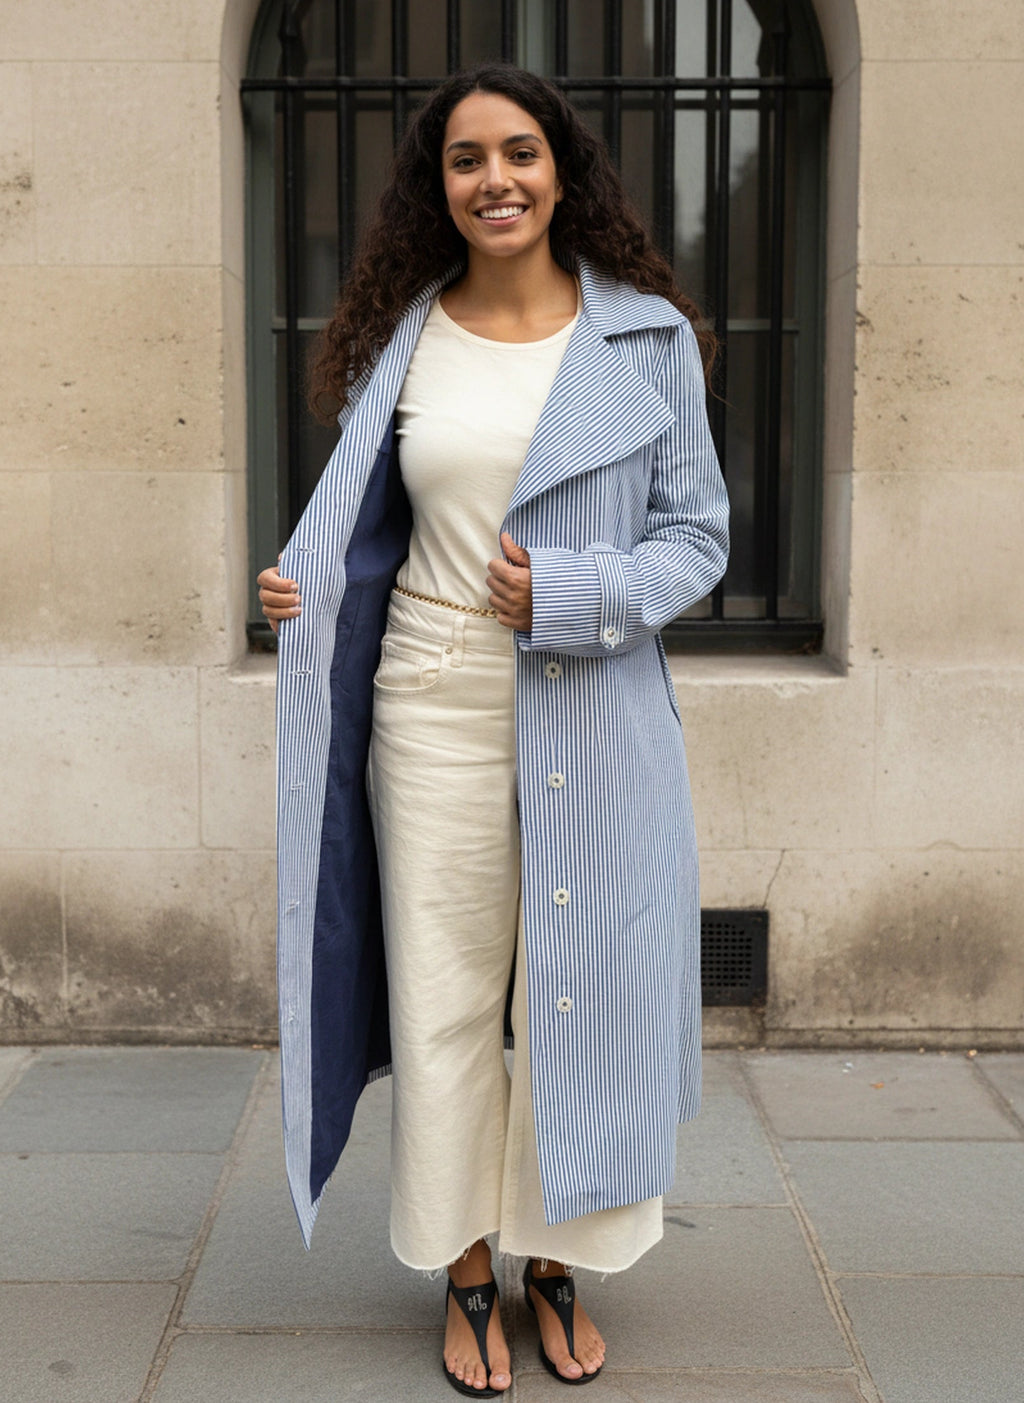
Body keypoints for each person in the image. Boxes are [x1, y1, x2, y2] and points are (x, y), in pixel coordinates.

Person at [257, 63, 728, 1397]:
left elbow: (699, 538)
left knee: (575, 991)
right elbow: (366, 532)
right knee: (450, 993)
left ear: (563, 170)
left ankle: (557, 1258)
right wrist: (305, 587)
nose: (496, 179)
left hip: (594, 700)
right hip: (430, 701)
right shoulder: (402, 342)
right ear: (439, 188)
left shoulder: (645, 340)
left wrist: (580, 592)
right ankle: (470, 1268)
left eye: (519, 152)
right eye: (466, 160)